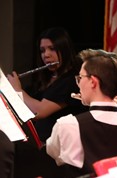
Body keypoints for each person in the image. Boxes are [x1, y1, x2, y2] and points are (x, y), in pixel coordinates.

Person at [46, 49, 117, 178]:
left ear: (93, 82)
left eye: (80, 78)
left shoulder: (67, 125)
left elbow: (52, 152)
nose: (79, 84)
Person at [7, 27, 88, 178]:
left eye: (52, 49)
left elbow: (39, 111)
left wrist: (16, 90)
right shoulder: (46, 80)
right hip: (40, 148)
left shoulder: (71, 80)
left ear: (64, 49)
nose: (46, 55)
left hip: (58, 153)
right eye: (43, 50)